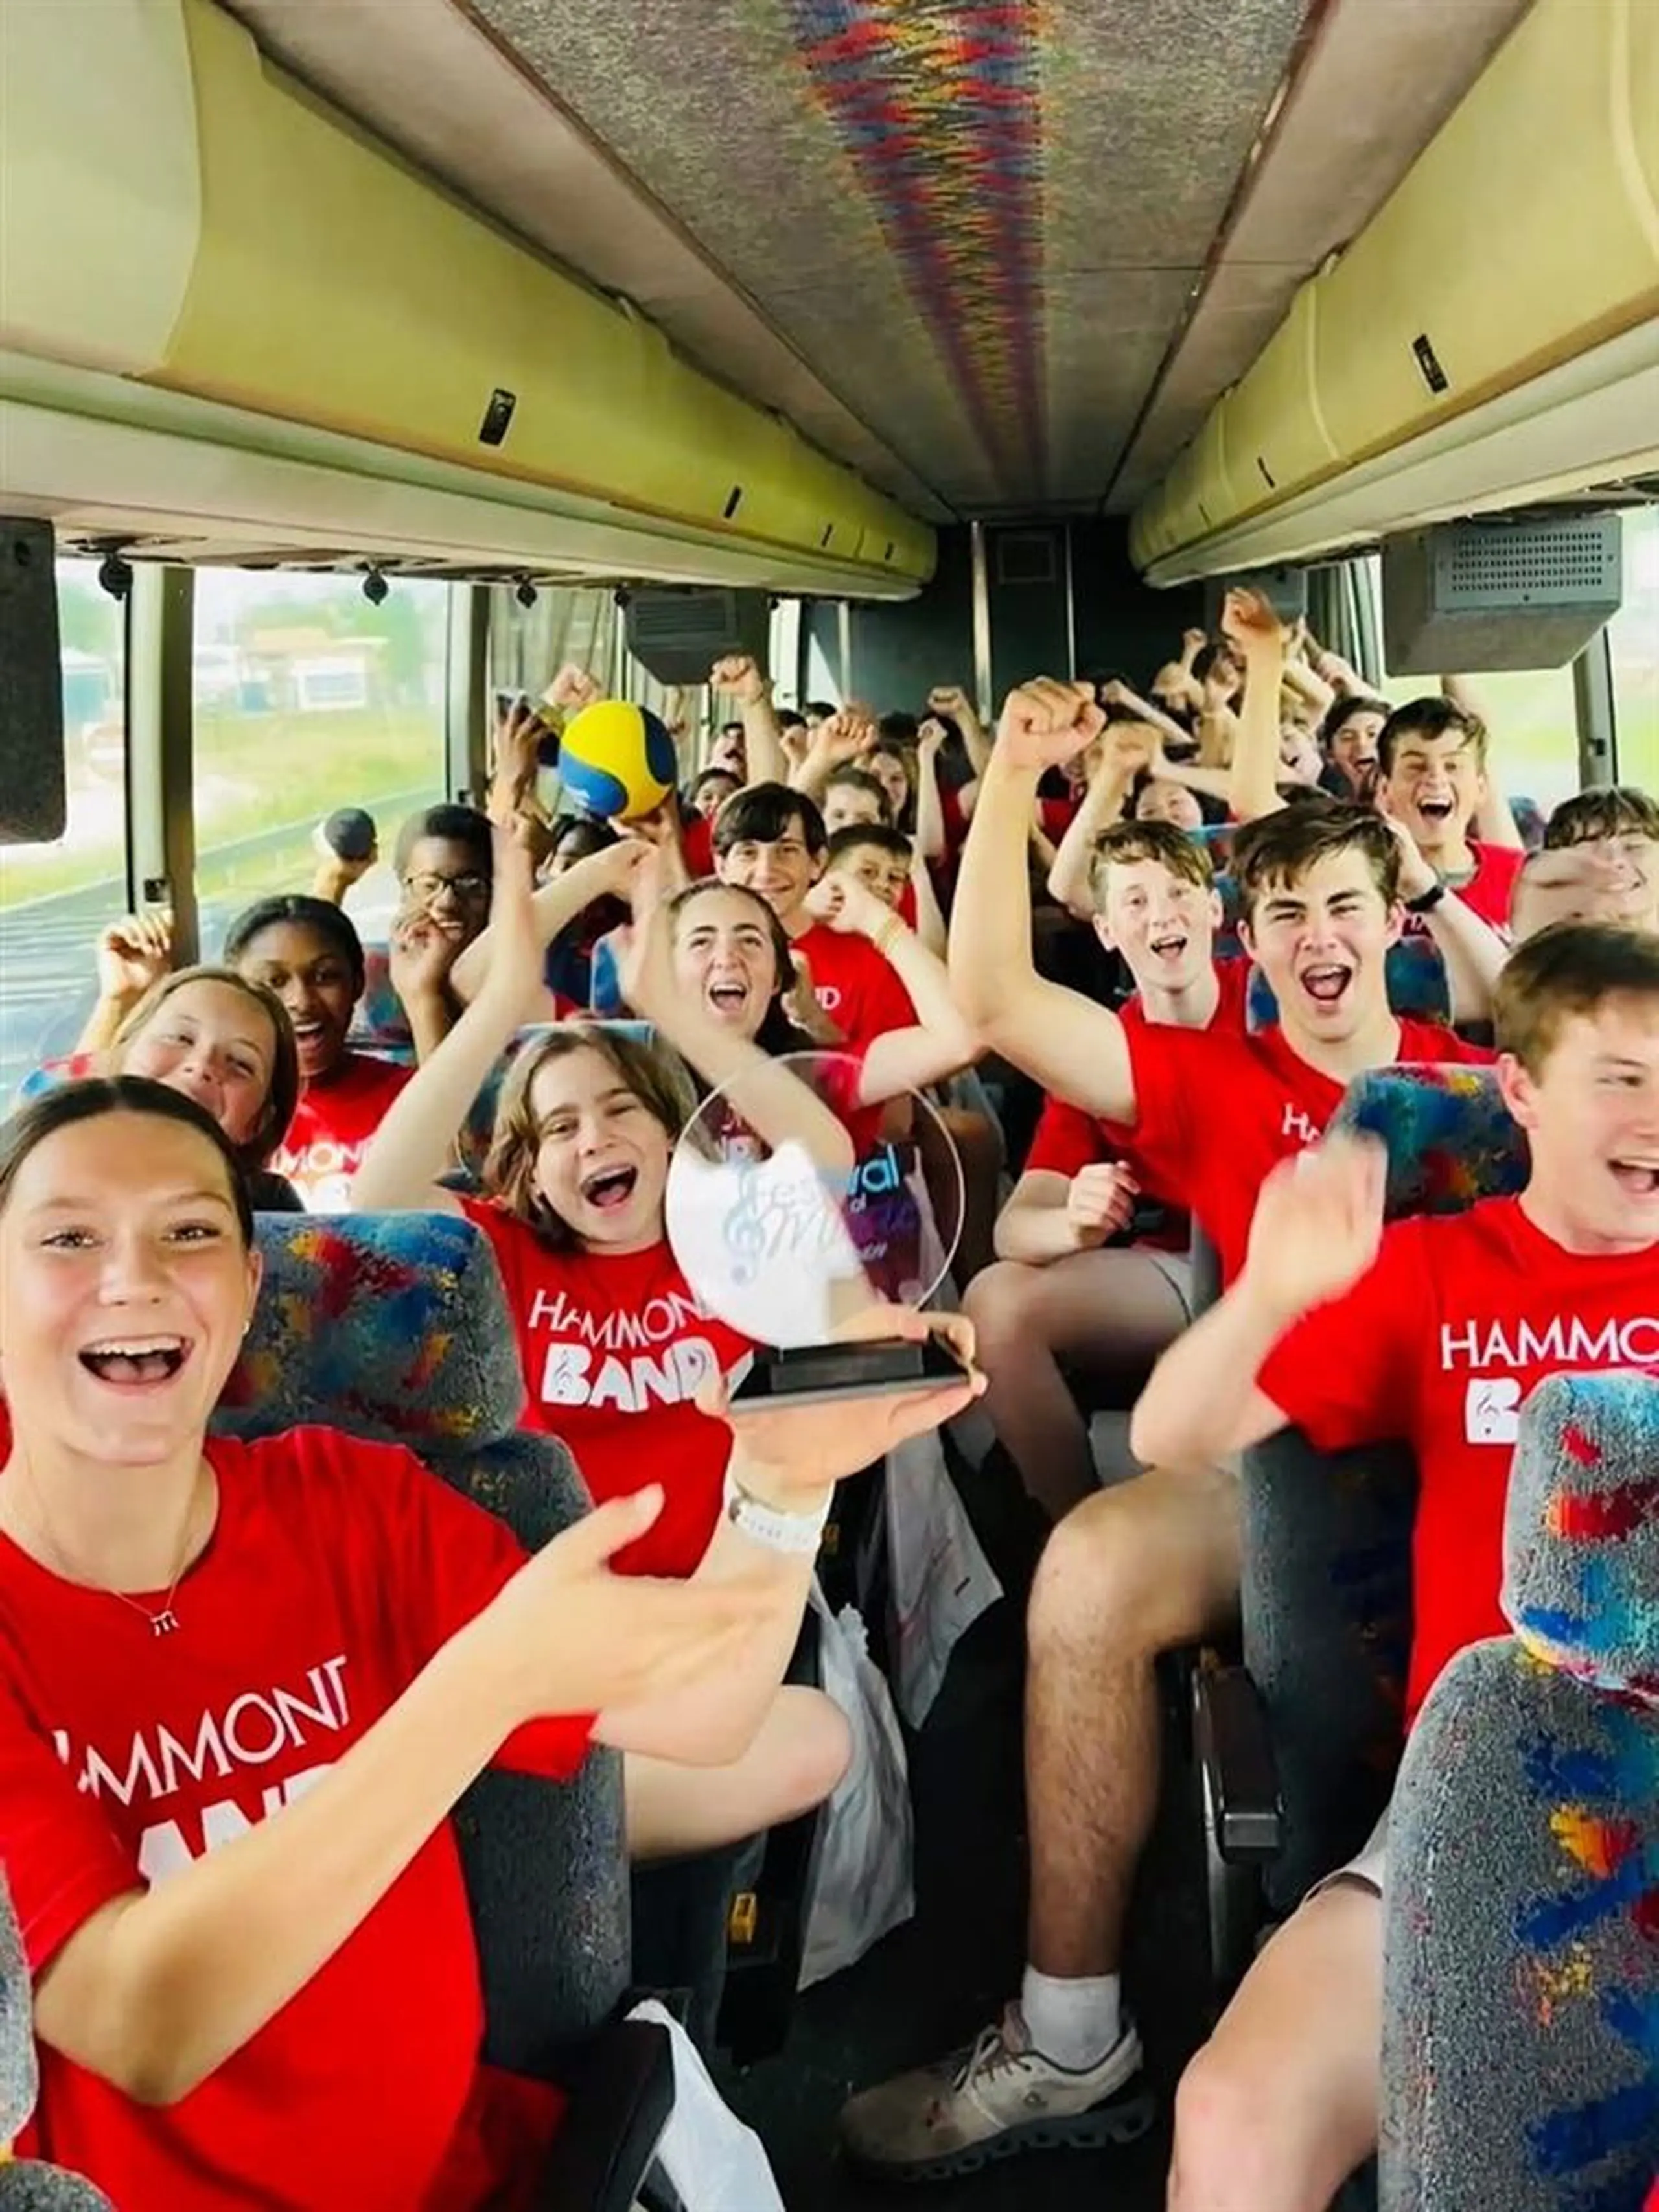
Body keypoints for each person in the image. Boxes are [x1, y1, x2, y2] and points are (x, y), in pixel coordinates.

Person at [0, 1073, 980, 2208]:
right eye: (69, 1237)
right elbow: (144, 2022)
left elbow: (705, 1709)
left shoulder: (349, 1501)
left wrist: (782, 1484)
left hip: (471, 2173)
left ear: (250, 1282)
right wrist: (477, 1692)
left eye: (189, 1232)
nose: (135, 1277)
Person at [841, 682, 1486, 2181]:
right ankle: (1072, 2029)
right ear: (1247, 940)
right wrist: (1011, 771)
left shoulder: (1482, 1093)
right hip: (1270, 1462)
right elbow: (994, 1000)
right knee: (1083, 1571)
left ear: (1392, 920)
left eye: (1342, 902)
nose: (1315, 934)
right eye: (1282, 911)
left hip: (1477, 1455)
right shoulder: (1209, 1078)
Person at [1130, 920, 1659, 2209]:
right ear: (1519, 1089)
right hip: (1480, 1816)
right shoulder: (1431, 1269)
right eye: (1622, 1077)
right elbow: (1168, 1434)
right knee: (1234, 2116)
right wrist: (1269, 1291)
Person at [354, 833, 857, 1585]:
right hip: (559, 1606)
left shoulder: (728, 1234)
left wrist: (671, 1013)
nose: (595, 1138)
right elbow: (380, 1197)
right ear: (532, 1173)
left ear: (670, 1136)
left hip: (724, 1597)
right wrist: (499, 1005)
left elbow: (826, 1157)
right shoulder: (505, 1252)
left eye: (622, 1109)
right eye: (561, 1128)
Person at [967, 817, 1249, 1519]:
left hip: (1294, 1259)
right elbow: (1015, 1227)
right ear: (1106, 932)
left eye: (1179, 893)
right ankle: (1075, 1524)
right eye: (1136, 901)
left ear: (1215, 910)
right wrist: (1073, 1222)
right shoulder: (1098, 1046)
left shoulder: (1272, 997)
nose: (1162, 915)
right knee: (996, 1303)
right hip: (1186, 1267)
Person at [222, 898, 412, 1212]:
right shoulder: (221, 1102)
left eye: (325, 976)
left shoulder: (408, 1094)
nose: (302, 1001)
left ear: (357, 984)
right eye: (275, 982)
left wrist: (424, 998)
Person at [1375, 696, 1524, 931]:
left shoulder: (1521, 878)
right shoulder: (1363, 880)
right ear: (1385, 791)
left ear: (1481, 788)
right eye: (1416, 767)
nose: (1436, 779)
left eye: (1452, 766)